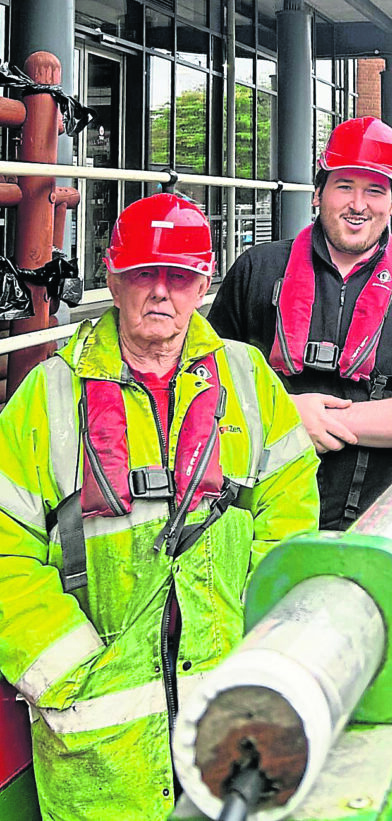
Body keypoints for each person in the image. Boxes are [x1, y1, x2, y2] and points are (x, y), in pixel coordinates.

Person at [0, 193, 320, 821]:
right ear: (113, 281)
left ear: (203, 284)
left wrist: (255, 643)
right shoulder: (48, 394)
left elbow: (288, 513)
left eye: (178, 277)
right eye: (144, 274)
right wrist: (70, 670)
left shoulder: (248, 380)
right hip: (100, 740)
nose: (160, 294)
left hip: (231, 713)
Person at [209, 116, 392, 530]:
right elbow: (206, 380)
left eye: (375, 191)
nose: (358, 205)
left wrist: (318, 423)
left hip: (377, 527)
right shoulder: (256, 270)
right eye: (344, 186)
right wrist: (288, 416)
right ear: (318, 193)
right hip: (256, 522)